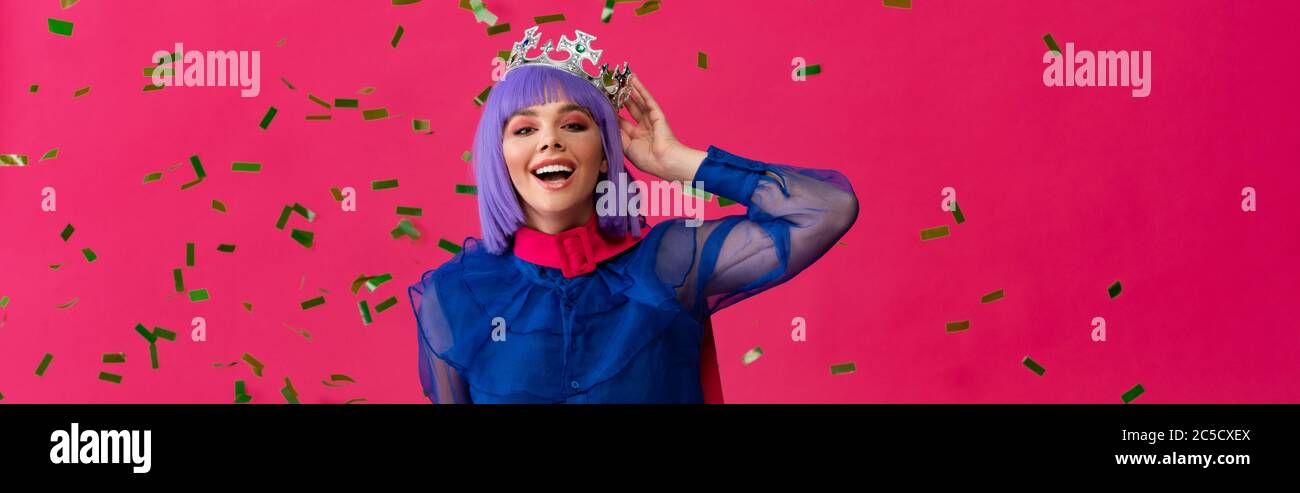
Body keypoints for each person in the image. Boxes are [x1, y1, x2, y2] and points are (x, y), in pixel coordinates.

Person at [408, 27, 858, 403]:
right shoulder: (453, 296)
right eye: (525, 129)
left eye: (574, 124)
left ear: (605, 154)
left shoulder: (671, 265)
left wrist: (676, 161)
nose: (550, 142)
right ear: (498, 156)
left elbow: (826, 210)